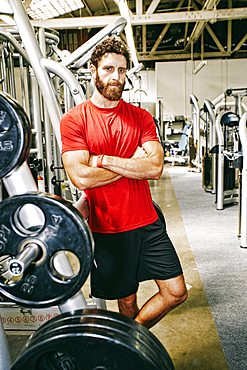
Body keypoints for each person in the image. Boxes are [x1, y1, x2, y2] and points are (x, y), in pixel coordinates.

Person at [60, 37, 187, 329]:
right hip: (109, 229)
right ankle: (130, 348)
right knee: (127, 302)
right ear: (93, 70)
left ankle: (129, 340)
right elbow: (80, 177)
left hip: (147, 222)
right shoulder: (75, 121)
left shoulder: (140, 117)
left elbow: (154, 167)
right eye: (108, 69)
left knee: (176, 292)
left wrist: (103, 160)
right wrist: (132, 162)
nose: (116, 77)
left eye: (121, 70)